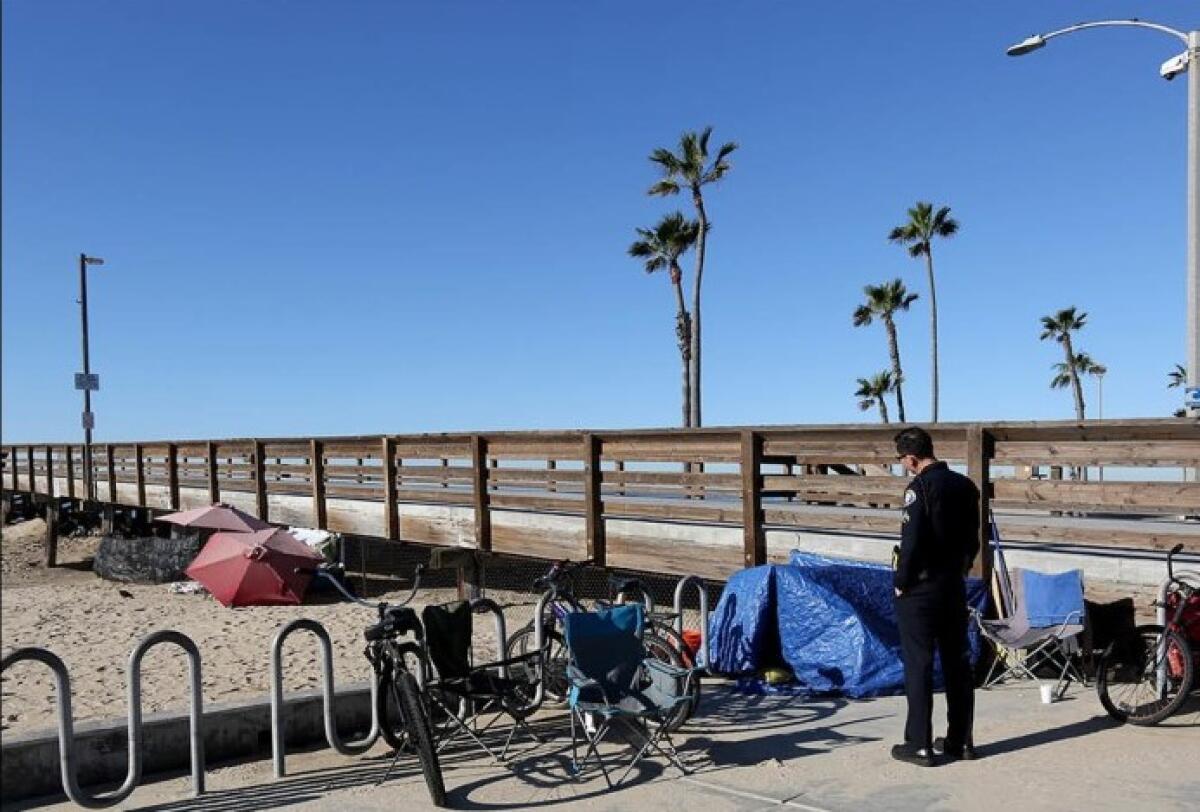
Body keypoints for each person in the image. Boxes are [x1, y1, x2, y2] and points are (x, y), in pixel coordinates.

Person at [890, 426, 980, 766]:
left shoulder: (919, 489)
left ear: (911, 458)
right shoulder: (965, 486)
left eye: (902, 460)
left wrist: (902, 580)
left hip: (921, 589)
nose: (903, 466)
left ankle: (920, 744)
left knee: (919, 664)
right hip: (953, 585)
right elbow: (973, 538)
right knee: (958, 663)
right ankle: (961, 740)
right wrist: (962, 567)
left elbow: (911, 542)